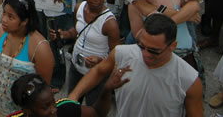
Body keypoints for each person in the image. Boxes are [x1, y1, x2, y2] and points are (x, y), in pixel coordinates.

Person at [70, 13, 202, 117]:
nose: (145, 54)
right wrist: (73, 96)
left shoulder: (188, 80)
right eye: (141, 46)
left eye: (153, 51)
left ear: (173, 46)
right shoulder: (123, 54)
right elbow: (98, 71)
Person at [0, 0, 54, 117]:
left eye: (11, 17)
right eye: (4, 13)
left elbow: (42, 88)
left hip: (19, 112)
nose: (3, 19)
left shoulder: (40, 48)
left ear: (24, 21)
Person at [55, 0, 120, 105]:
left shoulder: (110, 23)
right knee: (71, 103)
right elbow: (77, 31)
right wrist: (64, 34)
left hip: (97, 73)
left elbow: (116, 54)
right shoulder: (79, 8)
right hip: (75, 65)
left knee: (93, 108)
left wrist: (100, 60)